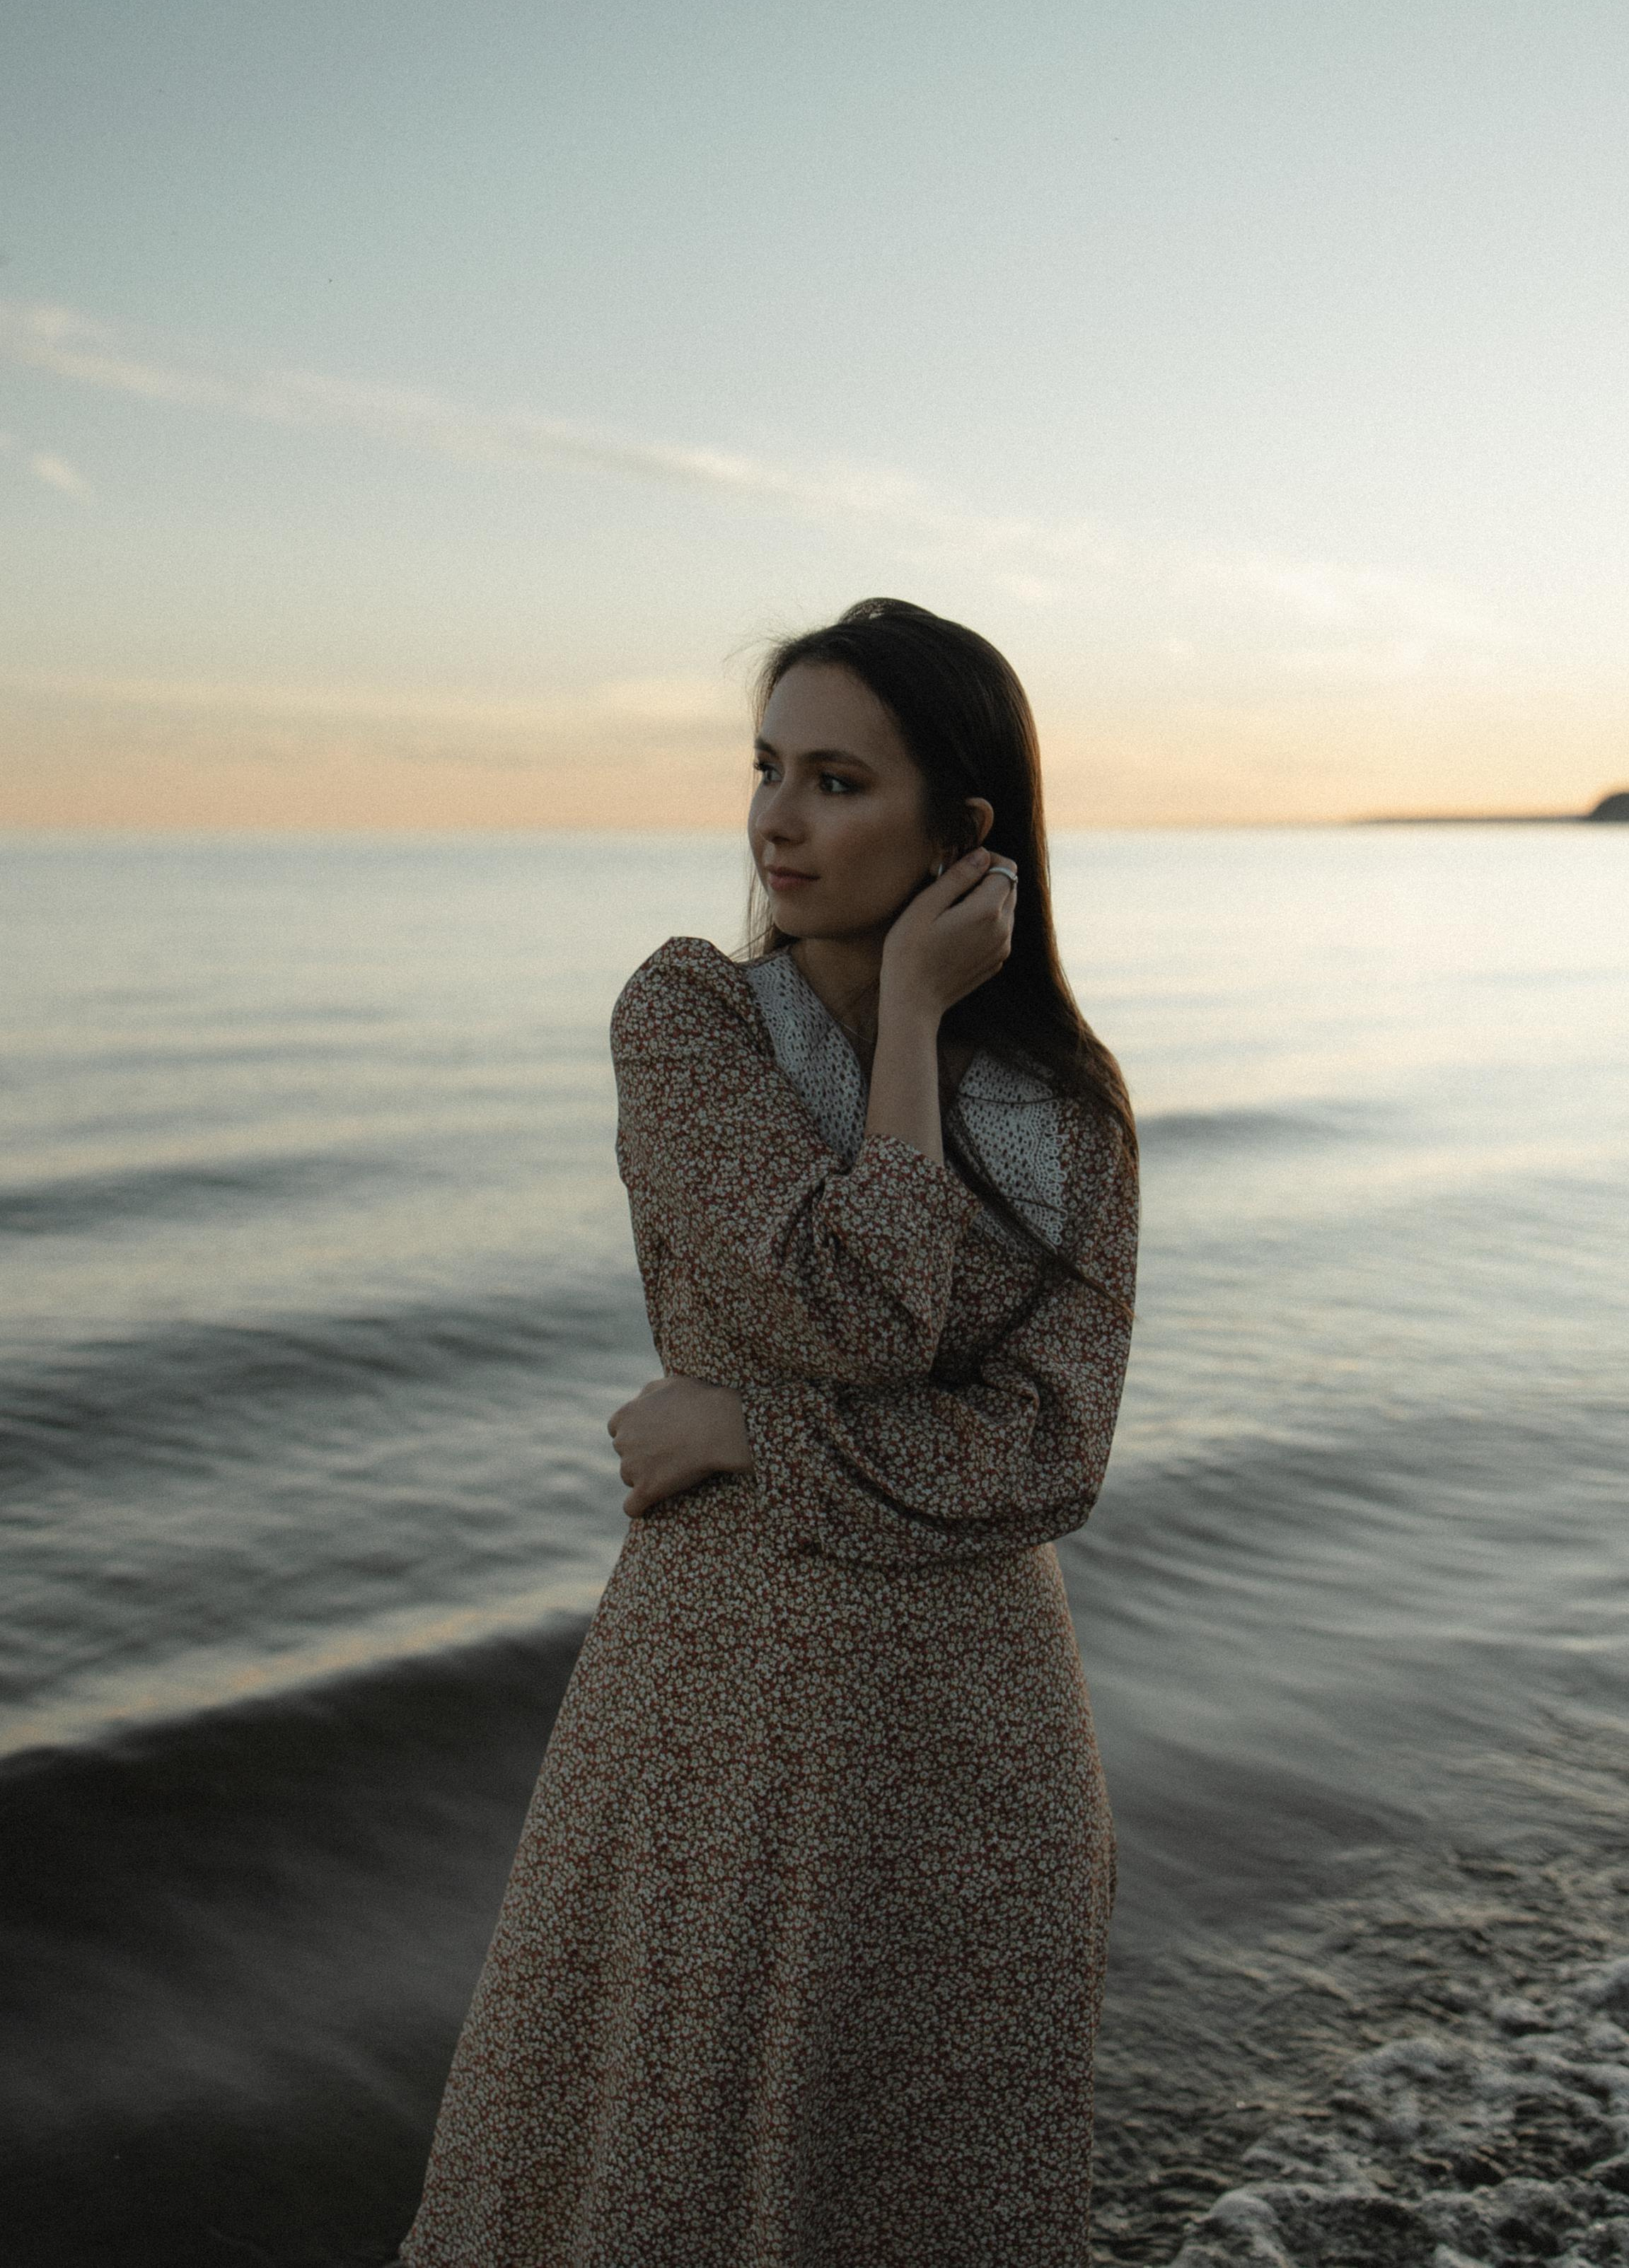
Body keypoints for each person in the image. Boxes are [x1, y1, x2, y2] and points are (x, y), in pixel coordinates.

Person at [400, 598, 1139, 2268]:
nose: (776, 821)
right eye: (765, 769)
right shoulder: (691, 1027)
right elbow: (855, 1307)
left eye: (835, 779)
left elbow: (1053, 1454)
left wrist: (747, 1427)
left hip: (978, 1749)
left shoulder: (1072, 1108)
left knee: (923, 2198)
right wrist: (907, 1037)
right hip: (720, 1711)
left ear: (966, 835)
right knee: (650, 2171)